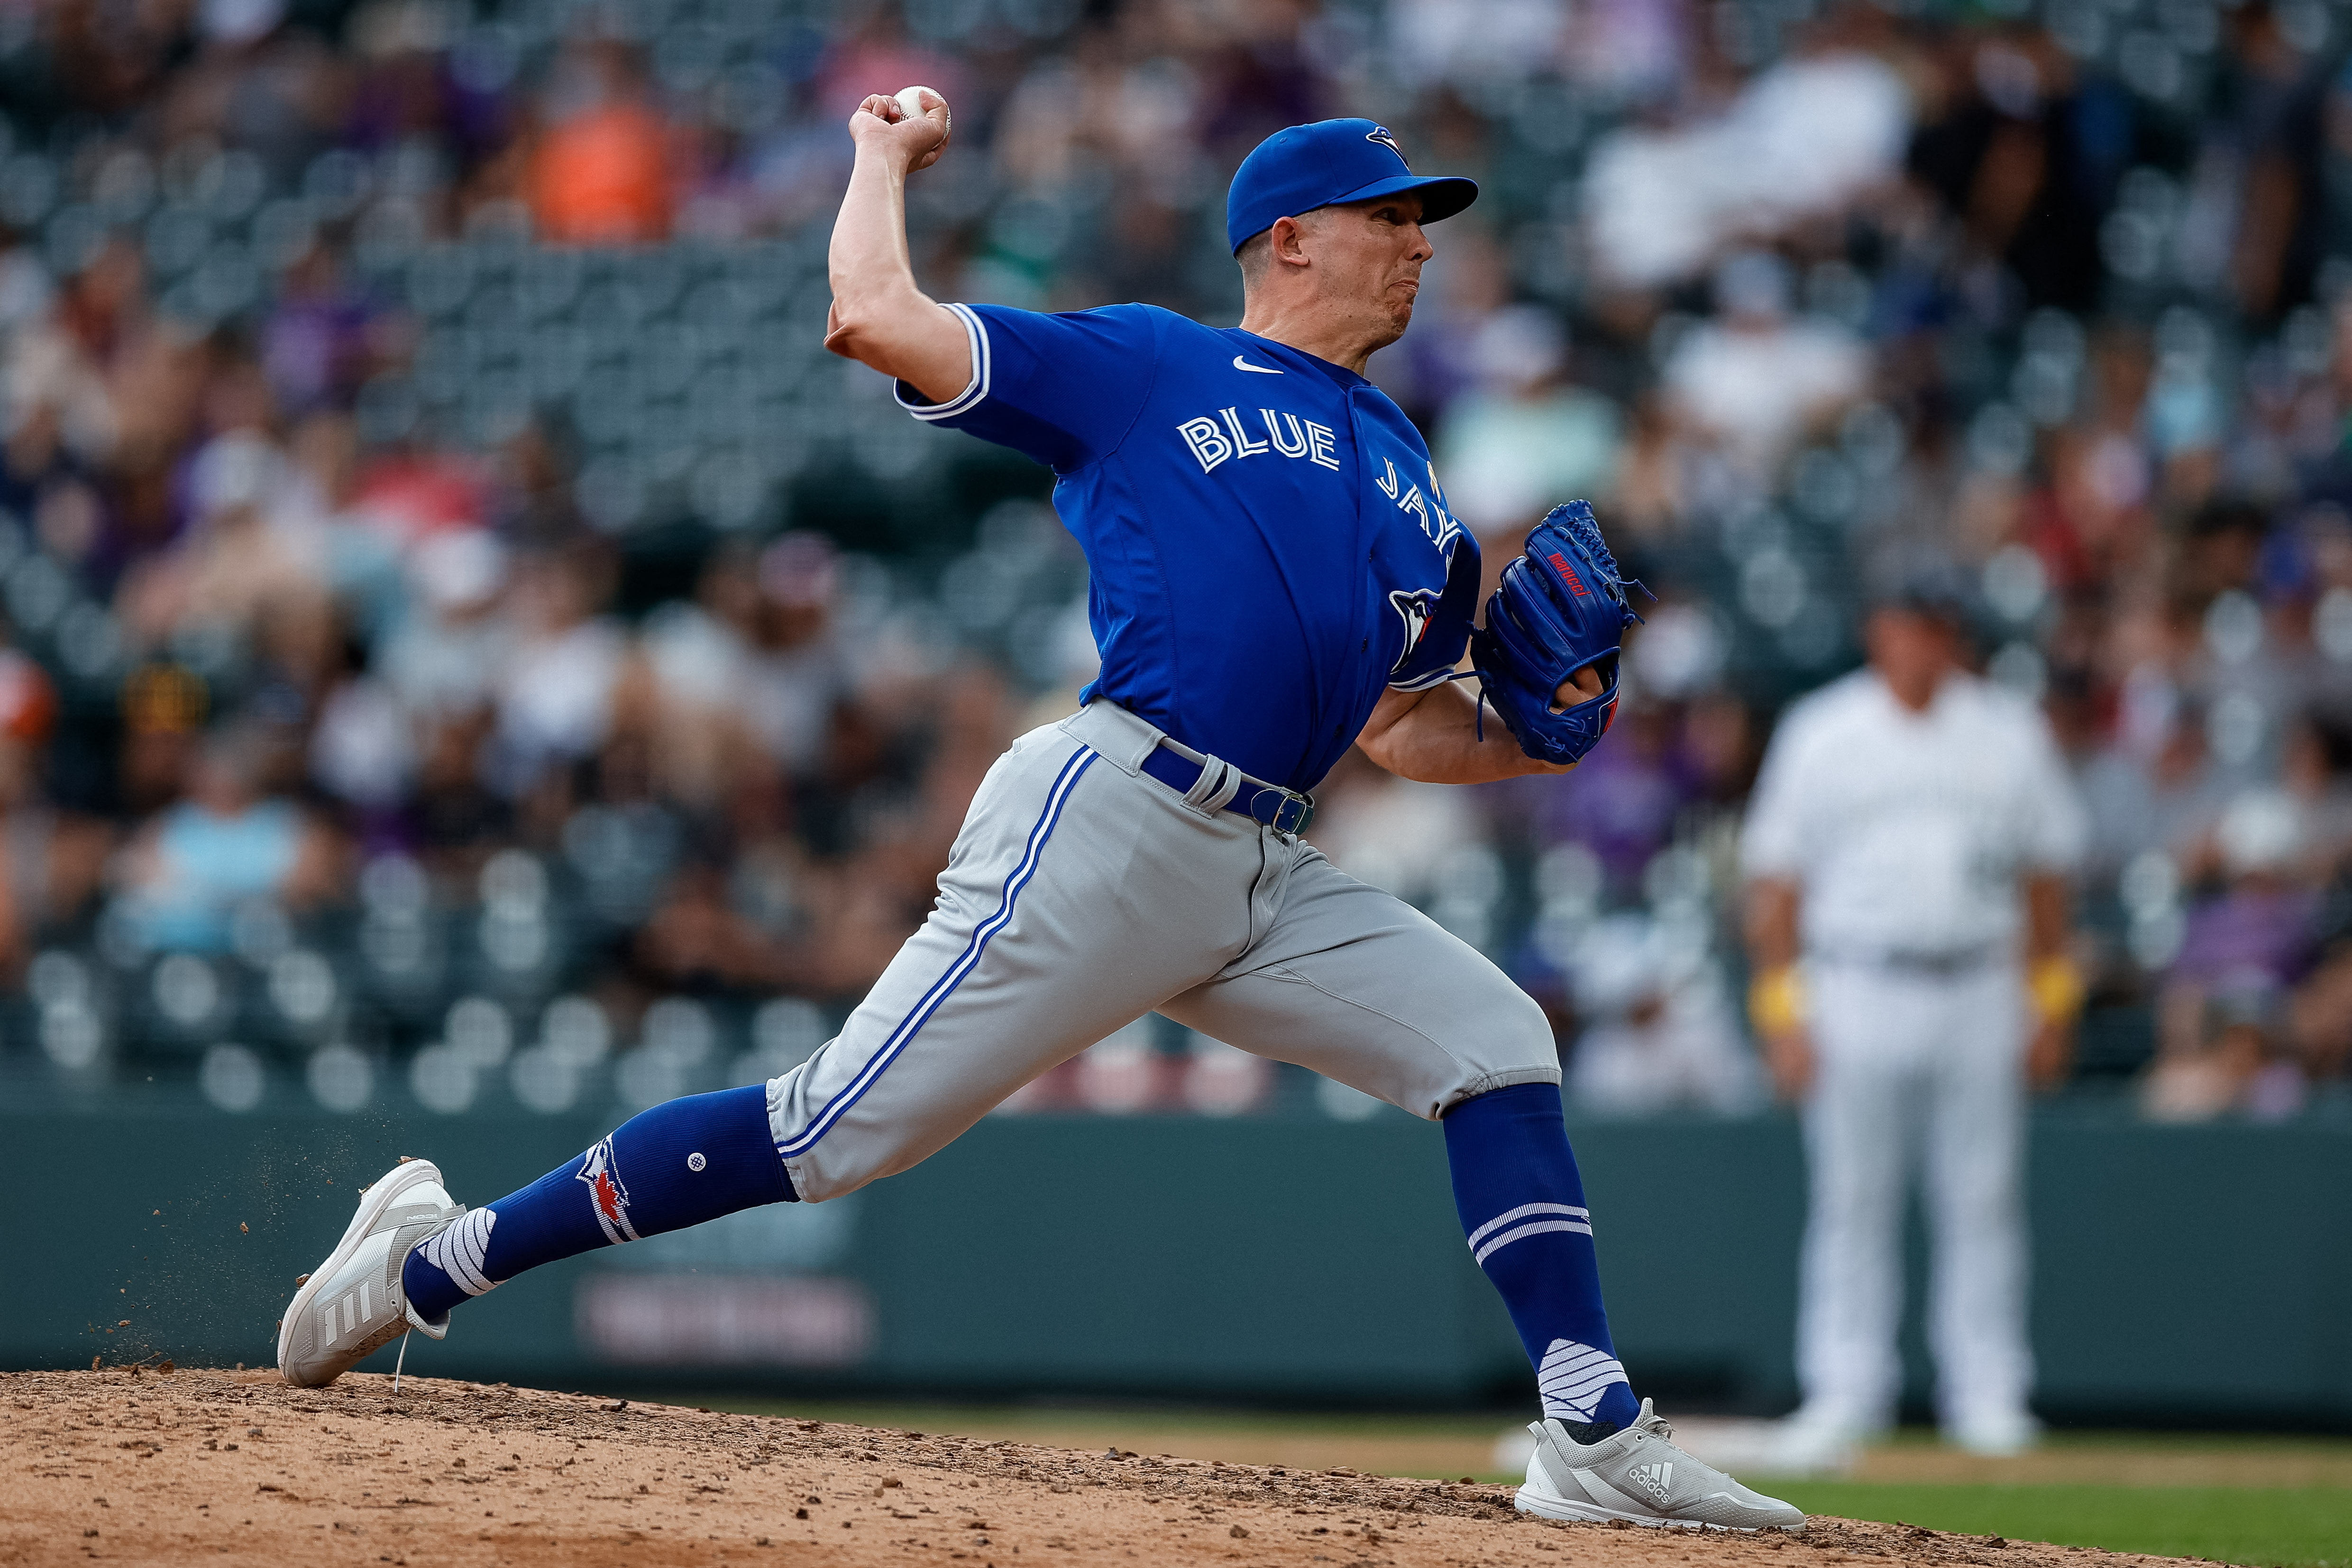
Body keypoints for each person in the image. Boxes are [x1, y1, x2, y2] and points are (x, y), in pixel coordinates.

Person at [275, 103, 1803, 1532]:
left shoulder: (1414, 477)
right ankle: (432, 1259)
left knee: (1496, 1044)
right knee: (824, 1132)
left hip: (1263, 863)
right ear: (1289, 237)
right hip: (1111, 818)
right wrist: (881, 159)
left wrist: (1536, 740)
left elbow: (1406, 732)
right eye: (1389, 216)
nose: (1419, 242)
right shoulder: (1156, 365)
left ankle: (1588, 1426)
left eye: (1426, 222)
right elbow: (873, 316)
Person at [1739, 573, 2087, 1466]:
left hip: (1981, 979)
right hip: (1856, 980)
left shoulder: (2006, 731)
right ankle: (1846, 1389)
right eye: (1904, 623)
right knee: (1851, 1195)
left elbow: (2047, 881)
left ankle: (1990, 1392)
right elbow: (1775, 887)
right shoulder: (1823, 731)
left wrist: (2049, 1004)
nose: (1919, 641)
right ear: (1877, 629)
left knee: (1983, 1196)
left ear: (1952, 635)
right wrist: (1782, 1013)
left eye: (1935, 625)